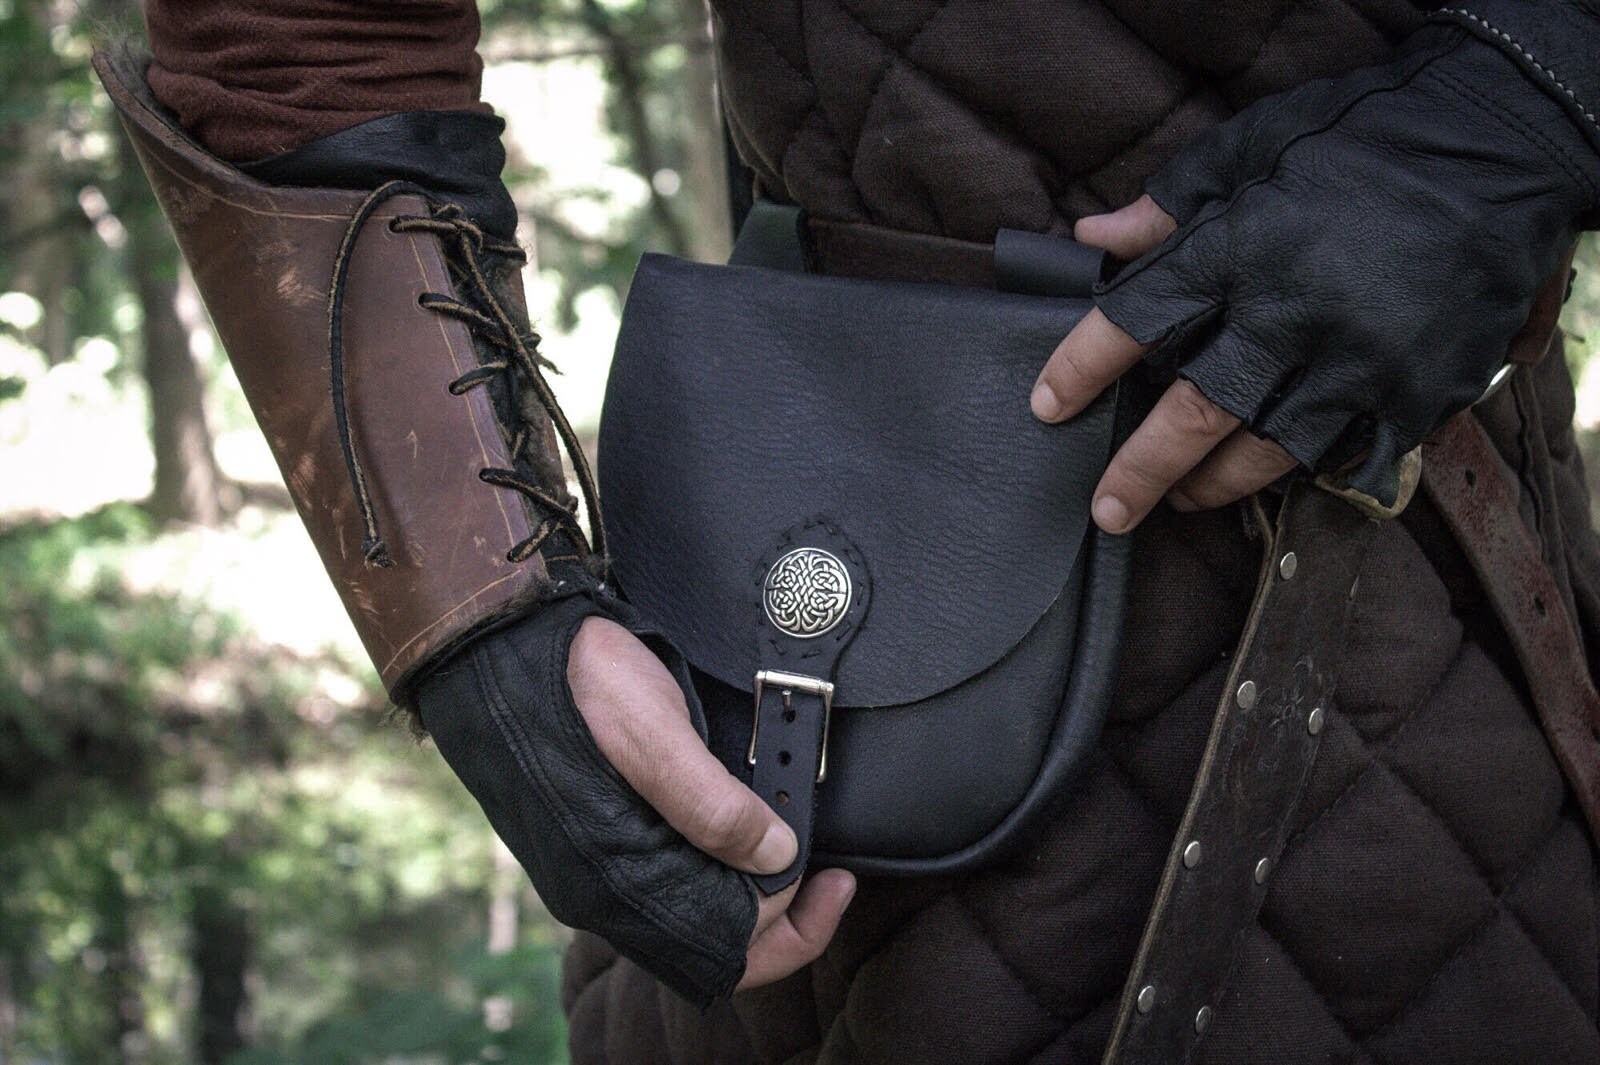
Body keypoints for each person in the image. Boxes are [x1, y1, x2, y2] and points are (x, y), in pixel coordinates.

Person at [97, 0, 1600, 1060]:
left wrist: (1531, 100)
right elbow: (301, 40)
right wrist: (470, 607)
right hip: (806, 701)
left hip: (1464, 612)